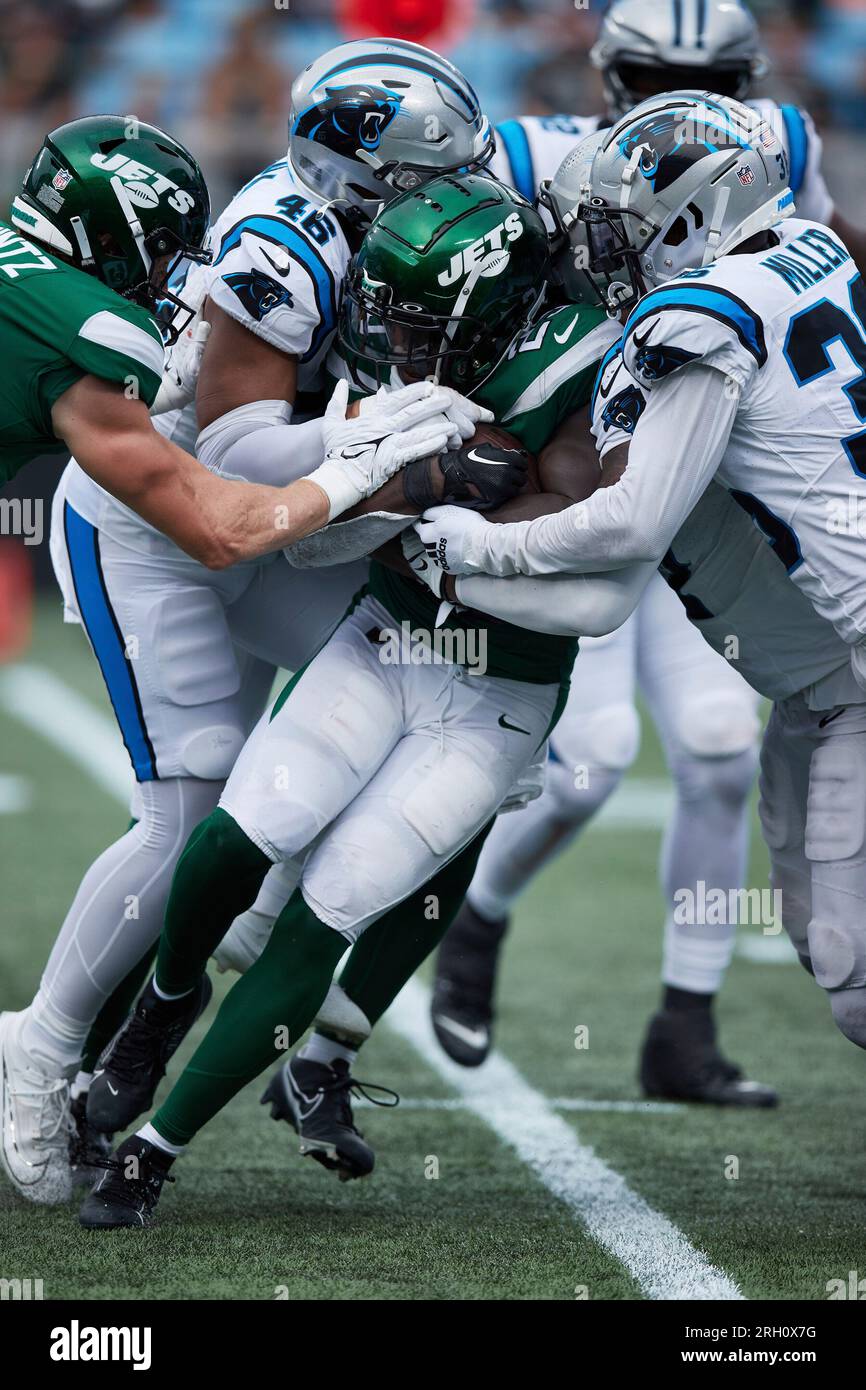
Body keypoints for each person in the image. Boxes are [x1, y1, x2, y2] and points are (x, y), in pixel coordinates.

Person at [0, 41, 491, 1206]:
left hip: (274, 523)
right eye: (427, 176)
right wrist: (369, 438)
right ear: (356, 173)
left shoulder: (400, 227)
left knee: (432, 694)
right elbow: (230, 474)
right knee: (187, 802)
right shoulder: (287, 245)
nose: (450, 196)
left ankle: (269, 960)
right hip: (156, 525)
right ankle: (40, 1046)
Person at [432, 0, 843, 1098]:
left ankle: (683, 1024)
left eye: (709, 73)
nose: (682, 90)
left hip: (705, 493)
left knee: (714, 741)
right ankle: (472, 925)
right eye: (657, 70)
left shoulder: (773, 154)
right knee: (587, 763)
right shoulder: (527, 152)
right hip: (580, 470)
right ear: (607, 71)